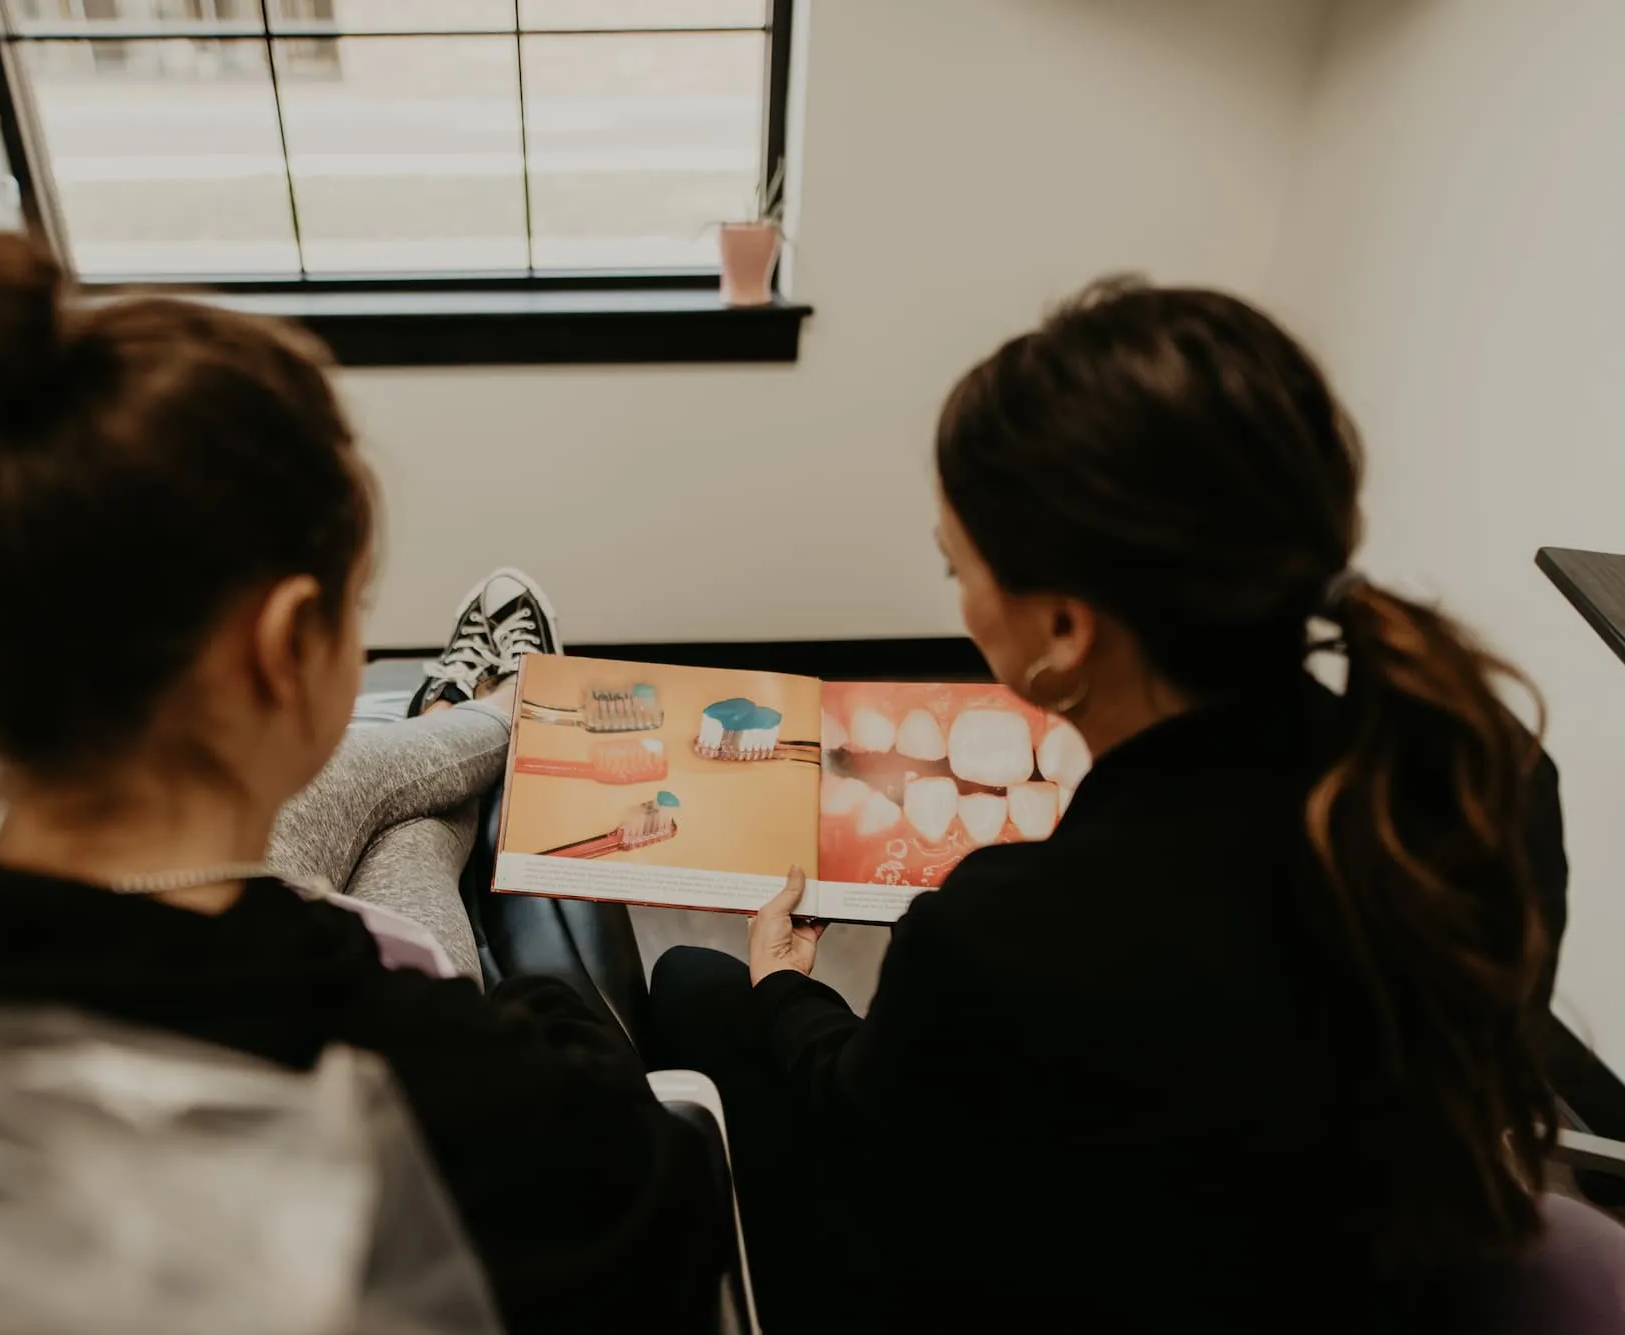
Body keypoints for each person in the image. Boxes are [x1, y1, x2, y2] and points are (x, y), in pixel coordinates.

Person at [0, 230, 728, 1335]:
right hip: (395, 1030)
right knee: (378, 850)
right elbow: (662, 1225)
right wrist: (532, 1025)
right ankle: (482, 720)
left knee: (355, 854)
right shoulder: (473, 1114)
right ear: (286, 644)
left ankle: (463, 731)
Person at [648, 280, 1569, 1332]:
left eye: (956, 565)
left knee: (689, 984)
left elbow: (863, 1135)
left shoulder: (1004, 931)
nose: (954, 592)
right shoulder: (1481, 783)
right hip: (1357, 1281)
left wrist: (778, 990)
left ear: (1064, 629)